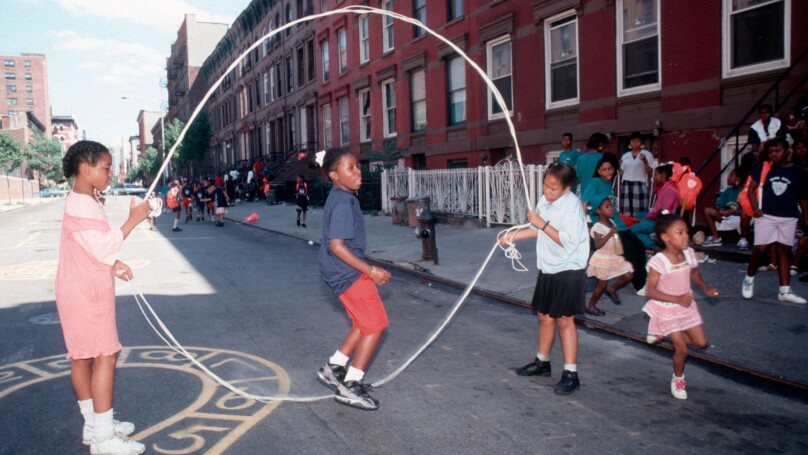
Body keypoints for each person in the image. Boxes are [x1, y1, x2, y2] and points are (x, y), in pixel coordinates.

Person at [55, 140, 150, 454]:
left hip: (78, 287)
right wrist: (134, 220)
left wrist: (112, 263)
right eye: (106, 168)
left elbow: (90, 247)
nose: (110, 173)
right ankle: (104, 437)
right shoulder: (82, 203)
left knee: (82, 356)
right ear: (86, 168)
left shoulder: (84, 199)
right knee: (105, 355)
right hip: (86, 294)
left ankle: (95, 425)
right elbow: (103, 244)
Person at [500, 163, 589, 395]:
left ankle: (571, 374)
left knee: (564, 320)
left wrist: (542, 223)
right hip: (549, 266)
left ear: (567, 189)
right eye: (545, 186)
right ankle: (542, 362)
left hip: (568, 268)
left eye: (553, 189)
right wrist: (513, 236)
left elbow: (566, 241)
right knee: (545, 316)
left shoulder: (572, 207)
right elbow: (536, 230)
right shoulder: (545, 201)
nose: (547, 192)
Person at [316, 147, 392, 410]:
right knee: (376, 324)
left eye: (357, 166)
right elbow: (337, 245)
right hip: (347, 273)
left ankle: (334, 366)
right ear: (334, 175)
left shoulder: (340, 196)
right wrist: (370, 271)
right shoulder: (345, 202)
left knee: (363, 321)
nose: (358, 171)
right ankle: (351, 383)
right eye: (350, 168)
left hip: (337, 271)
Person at [643, 213, 716, 400]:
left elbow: (694, 272)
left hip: (686, 306)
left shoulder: (689, 254)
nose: (686, 236)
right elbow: (650, 291)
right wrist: (677, 299)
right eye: (680, 232)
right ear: (666, 237)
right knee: (682, 350)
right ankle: (678, 378)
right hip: (666, 309)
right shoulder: (659, 261)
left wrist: (706, 288)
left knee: (701, 343)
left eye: (687, 232)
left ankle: (666, 333)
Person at [742, 138, 808, 304]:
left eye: (777, 151)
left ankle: (784, 291)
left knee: (784, 251)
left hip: (788, 217)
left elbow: (803, 197)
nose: (773, 154)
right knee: (760, 248)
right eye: (771, 152)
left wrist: (806, 216)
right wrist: (756, 208)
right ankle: (749, 278)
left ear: (787, 151)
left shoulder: (798, 171)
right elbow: (751, 188)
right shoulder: (765, 168)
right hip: (767, 216)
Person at [581, 155, 648, 291]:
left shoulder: (608, 183)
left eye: (610, 169)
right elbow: (585, 202)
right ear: (599, 171)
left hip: (619, 223)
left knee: (640, 246)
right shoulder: (595, 182)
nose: (607, 173)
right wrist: (584, 224)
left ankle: (643, 278)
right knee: (630, 252)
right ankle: (640, 285)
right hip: (607, 226)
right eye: (604, 170)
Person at [585, 195, 634, 316]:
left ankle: (613, 288)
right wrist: (610, 234)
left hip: (614, 257)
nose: (611, 209)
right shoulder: (598, 227)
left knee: (628, 274)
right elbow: (597, 245)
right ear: (598, 211)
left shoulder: (611, 222)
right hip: (603, 259)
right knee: (602, 285)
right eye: (607, 207)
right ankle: (591, 305)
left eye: (611, 206)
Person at [630, 163, 681, 250]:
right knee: (638, 215)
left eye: (656, 175)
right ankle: (646, 235)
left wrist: (646, 219)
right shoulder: (666, 187)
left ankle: (654, 246)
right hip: (658, 217)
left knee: (633, 230)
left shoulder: (669, 191)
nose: (653, 178)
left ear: (663, 175)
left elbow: (664, 212)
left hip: (663, 221)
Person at [701, 169, 748, 249]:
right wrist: (720, 209)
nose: (728, 178)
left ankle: (743, 239)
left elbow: (747, 212)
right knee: (707, 210)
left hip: (739, 219)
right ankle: (716, 238)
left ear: (738, 179)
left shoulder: (744, 191)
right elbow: (718, 204)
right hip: (726, 217)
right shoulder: (728, 190)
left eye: (731, 176)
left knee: (745, 215)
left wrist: (732, 211)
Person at [620, 131, 655, 218]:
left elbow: (650, 172)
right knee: (626, 211)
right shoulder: (625, 156)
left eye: (637, 141)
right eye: (633, 141)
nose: (635, 143)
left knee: (639, 210)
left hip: (639, 184)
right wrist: (617, 166)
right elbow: (621, 173)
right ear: (630, 143)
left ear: (641, 142)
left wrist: (644, 161)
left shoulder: (647, 154)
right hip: (626, 184)